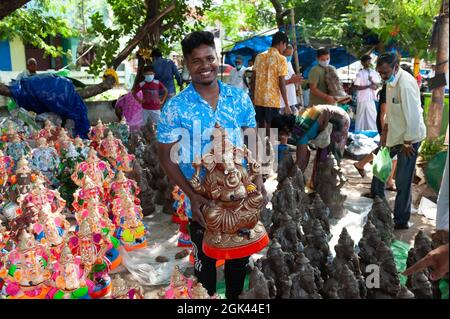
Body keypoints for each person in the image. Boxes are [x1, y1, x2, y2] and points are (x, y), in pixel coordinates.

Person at [156, 31, 266, 299]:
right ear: (186, 64)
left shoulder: (238, 97)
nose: (205, 65)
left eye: (209, 58)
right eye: (196, 61)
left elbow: (253, 138)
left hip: (240, 196)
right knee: (204, 265)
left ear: (217, 59)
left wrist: (259, 180)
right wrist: (191, 194)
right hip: (202, 201)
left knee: (238, 265)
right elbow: (164, 154)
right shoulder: (175, 107)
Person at [371, 52, 426, 230]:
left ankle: (401, 220)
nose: (383, 76)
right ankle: (379, 207)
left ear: (396, 67)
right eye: (380, 73)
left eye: (385, 72)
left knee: (402, 180)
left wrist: (408, 142)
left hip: (409, 138)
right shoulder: (390, 83)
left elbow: (413, 115)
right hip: (394, 135)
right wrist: (384, 134)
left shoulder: (406, 83)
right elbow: (391, 112)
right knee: (379, 169)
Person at [271, 104, 350, 188]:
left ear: (285, 128)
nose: (279, 138)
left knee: (330, 160)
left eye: (279, 135)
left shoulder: (300, 129)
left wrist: (285, 182)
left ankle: (330, 191)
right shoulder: (296, 121)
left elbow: (301, 161)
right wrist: (298, 175)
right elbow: (306, 154)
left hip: (340, 120)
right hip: (329, 117)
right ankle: (317, 188)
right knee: (321, 158)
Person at [353, 84, 398, 191]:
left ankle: (361, 164)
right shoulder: (388, 90)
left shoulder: (392, 89)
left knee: (386, 150)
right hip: (385, 126)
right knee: (391, 152)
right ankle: (387, 182)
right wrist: (384, 132)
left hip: (388, 126)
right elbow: (383, 112)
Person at [251, 31, 291, 136]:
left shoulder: (259, 56)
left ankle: (261, 149)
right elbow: (281, 83)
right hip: (272, 100)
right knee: (271, 126)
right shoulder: (281, 59)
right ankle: (269, 149)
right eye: (285, 45)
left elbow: (253, 78)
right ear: (282, 43)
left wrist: (253, 96)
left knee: (261, 125)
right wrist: (287, 104)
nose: (284, 48)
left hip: (259, 98)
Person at [353, 55, 381, 131]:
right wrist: (368, 86)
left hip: (370, 98)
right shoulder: (360, 74)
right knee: (360, 117)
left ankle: (373, 132)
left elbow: (376, 86)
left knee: (372, 116)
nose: (368, 63)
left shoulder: (373, 72)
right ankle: (358, 132)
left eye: (369, 61)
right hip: (362, 98)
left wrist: (371, 81)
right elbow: (356, 87)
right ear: (362, 63)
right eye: (367, 61)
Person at [280, 44, 302, 114]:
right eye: (287, 55)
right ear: (281, 53)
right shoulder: (277, 64)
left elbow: (292, 74)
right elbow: (277, 83)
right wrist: (291, 81)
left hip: (291, 99)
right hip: (282, 102)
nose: (289, 57)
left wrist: (297, 78)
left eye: (291, 55)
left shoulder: (288, 62)